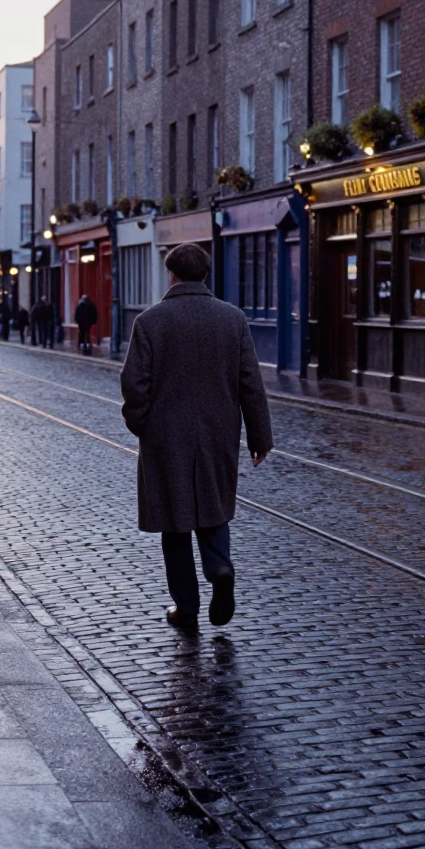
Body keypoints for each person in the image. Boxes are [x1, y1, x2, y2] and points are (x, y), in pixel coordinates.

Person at [120, 242, 272, 632]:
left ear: (171, 275)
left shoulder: (150, 321)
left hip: (165, 436)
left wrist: (141, 424)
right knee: (214, 506)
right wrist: (259, 436)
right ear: (205, 275)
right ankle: (220, 568)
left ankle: (185, 607)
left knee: (174, 522)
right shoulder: (232, 319)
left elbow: (134, 384)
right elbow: (250, 383)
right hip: (218, 433)